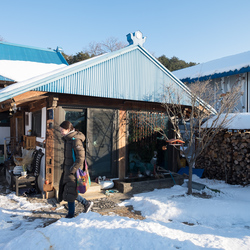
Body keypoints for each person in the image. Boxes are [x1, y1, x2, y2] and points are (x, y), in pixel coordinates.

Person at [59, 120, 93, 218]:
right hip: (68, 169)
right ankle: (86, 203)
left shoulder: (75, 140)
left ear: (68, 129)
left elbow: (81, 158)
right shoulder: (68, 139)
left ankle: (71, 214)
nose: (61, 132)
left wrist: (72, 169)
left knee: (70, 192)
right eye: (60, 130)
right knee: (69, 191)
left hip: (73, 172)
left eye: (62, 130)